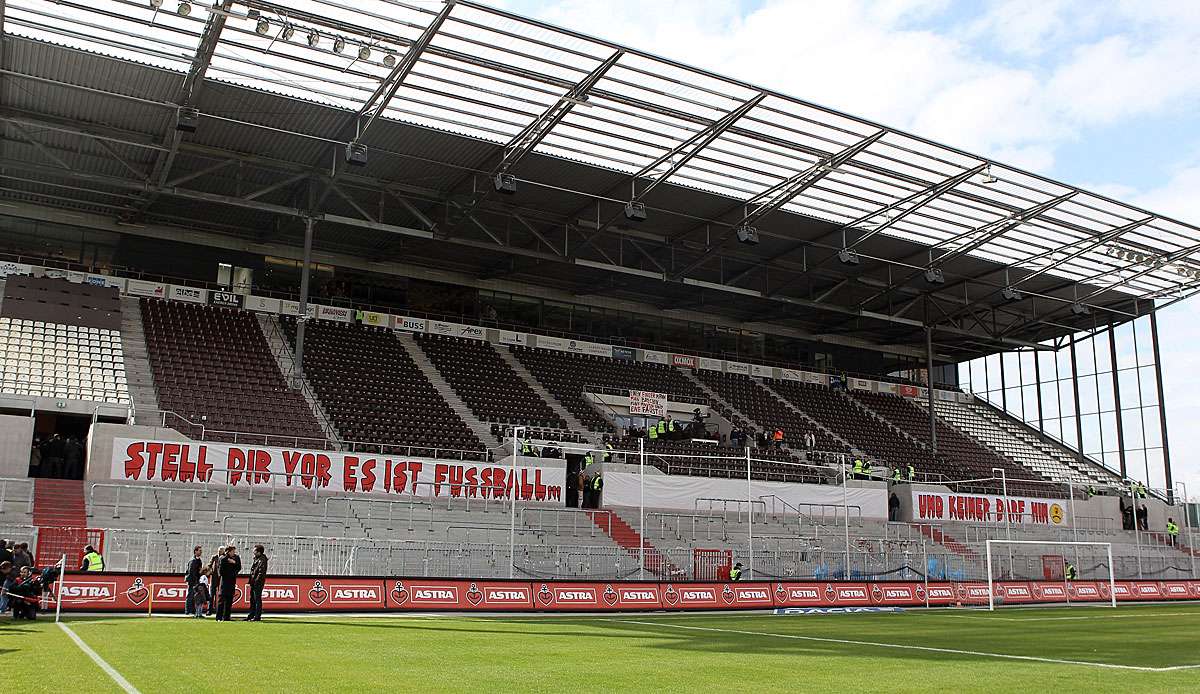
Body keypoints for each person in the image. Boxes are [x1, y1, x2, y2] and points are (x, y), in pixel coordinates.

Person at [216, 544, 242, 621]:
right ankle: (219, 617)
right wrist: (227, 561)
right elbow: (220, 570)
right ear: (228, 551)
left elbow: (239, 567)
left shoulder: (236, 558)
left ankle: (227, 617)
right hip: (224, 581)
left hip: (232, 581)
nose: (234, 553)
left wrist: (234, 563)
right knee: (221, 600)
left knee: (229, 600)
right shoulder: (223, 558)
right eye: (232, 551)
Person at [245, 545, 268, 622]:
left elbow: (261, 573)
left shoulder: (262, 560)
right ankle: (251, 615)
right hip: (254, 582)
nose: (253, 552)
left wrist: (256, 581)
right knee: (253, 599)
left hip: (257, 583)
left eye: (255, 550)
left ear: (259, 552)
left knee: (257, 599)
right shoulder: (258, 559)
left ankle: (257, 616)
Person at [185, 545, 204, 616]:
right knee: (190, 595)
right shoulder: (193, 560)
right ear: (195, 551)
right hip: (192, 581)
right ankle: (188, 611)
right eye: (200, 551)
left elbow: (198, 571)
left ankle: (192, 611)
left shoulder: (198, 560)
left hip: (196, 580)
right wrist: (195, 581)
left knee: (194, 596)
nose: (201, 552)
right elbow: (191, 572)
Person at [208, 546, 226, 616]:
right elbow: (209, 565)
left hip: (221, 577)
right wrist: (211, 571)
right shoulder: (214, 557)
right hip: (214, 577)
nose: (219, 551)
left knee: (221, 594)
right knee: (212, 594)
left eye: (221, 550)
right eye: (219, 550)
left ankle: (219, 610)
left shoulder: (224, 557)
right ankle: (210, 610)